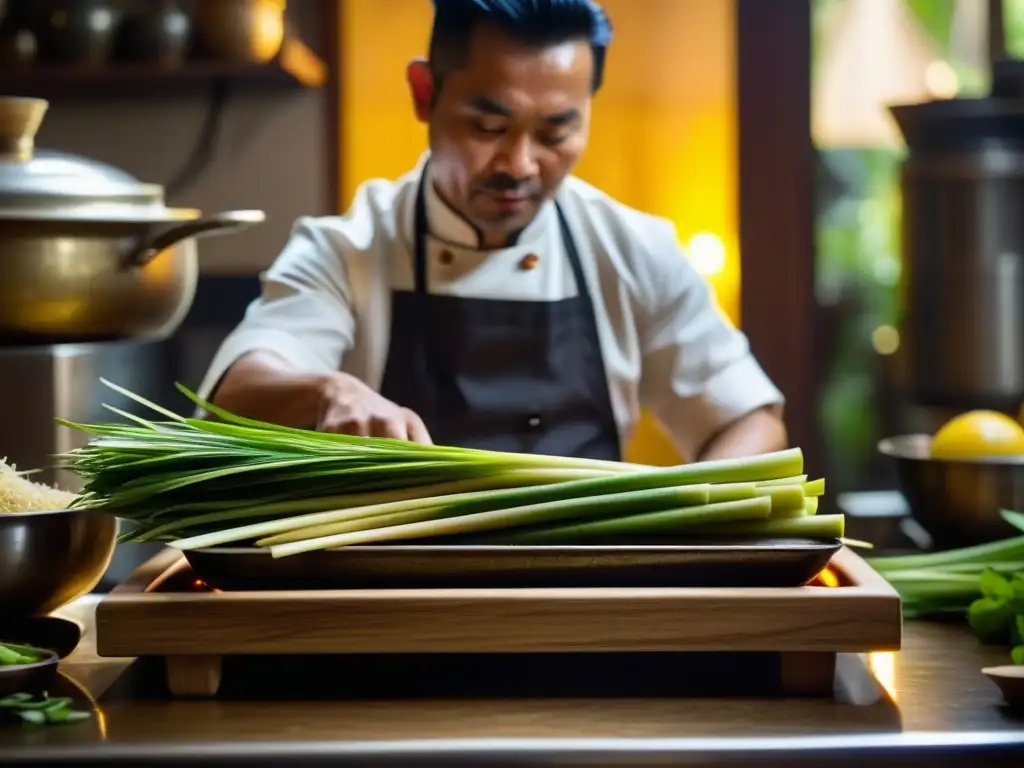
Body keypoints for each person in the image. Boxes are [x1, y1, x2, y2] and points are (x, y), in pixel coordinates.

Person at [196, 0, 787, 464]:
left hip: (592, 598)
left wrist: (688, 509)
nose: (520, 165)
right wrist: (327, 394)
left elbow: (752, 420)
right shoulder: (345, 249)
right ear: (424, 94)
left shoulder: (635, 250)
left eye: (555, 134)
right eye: (488, 125)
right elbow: (231, 396)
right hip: (400, 594)